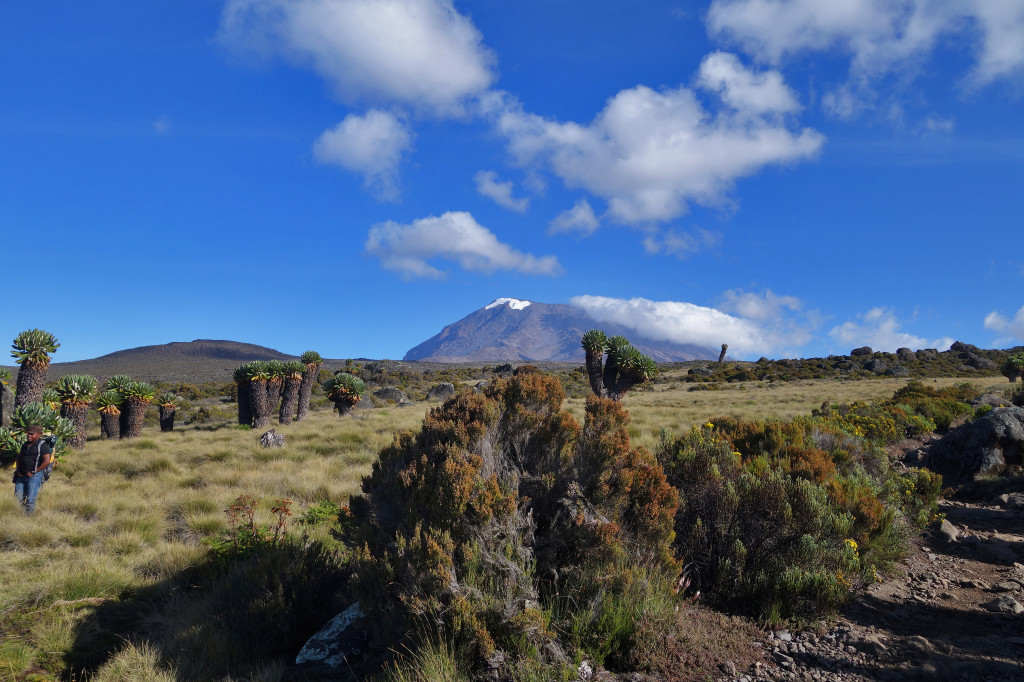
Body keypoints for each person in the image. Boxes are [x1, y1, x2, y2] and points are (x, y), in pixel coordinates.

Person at [13, 425, 51, 515]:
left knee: (31, 498)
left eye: (31, 434)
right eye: (28, 434)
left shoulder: (43, 445)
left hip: (34, 476)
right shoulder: (25, 445)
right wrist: (18, 470)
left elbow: (47, 461)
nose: (29, 435)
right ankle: (18, 515)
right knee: (18, 497)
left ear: (38, 435)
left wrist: (34, 471)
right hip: (21, 475)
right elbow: (19, 457)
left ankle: (28, 517)